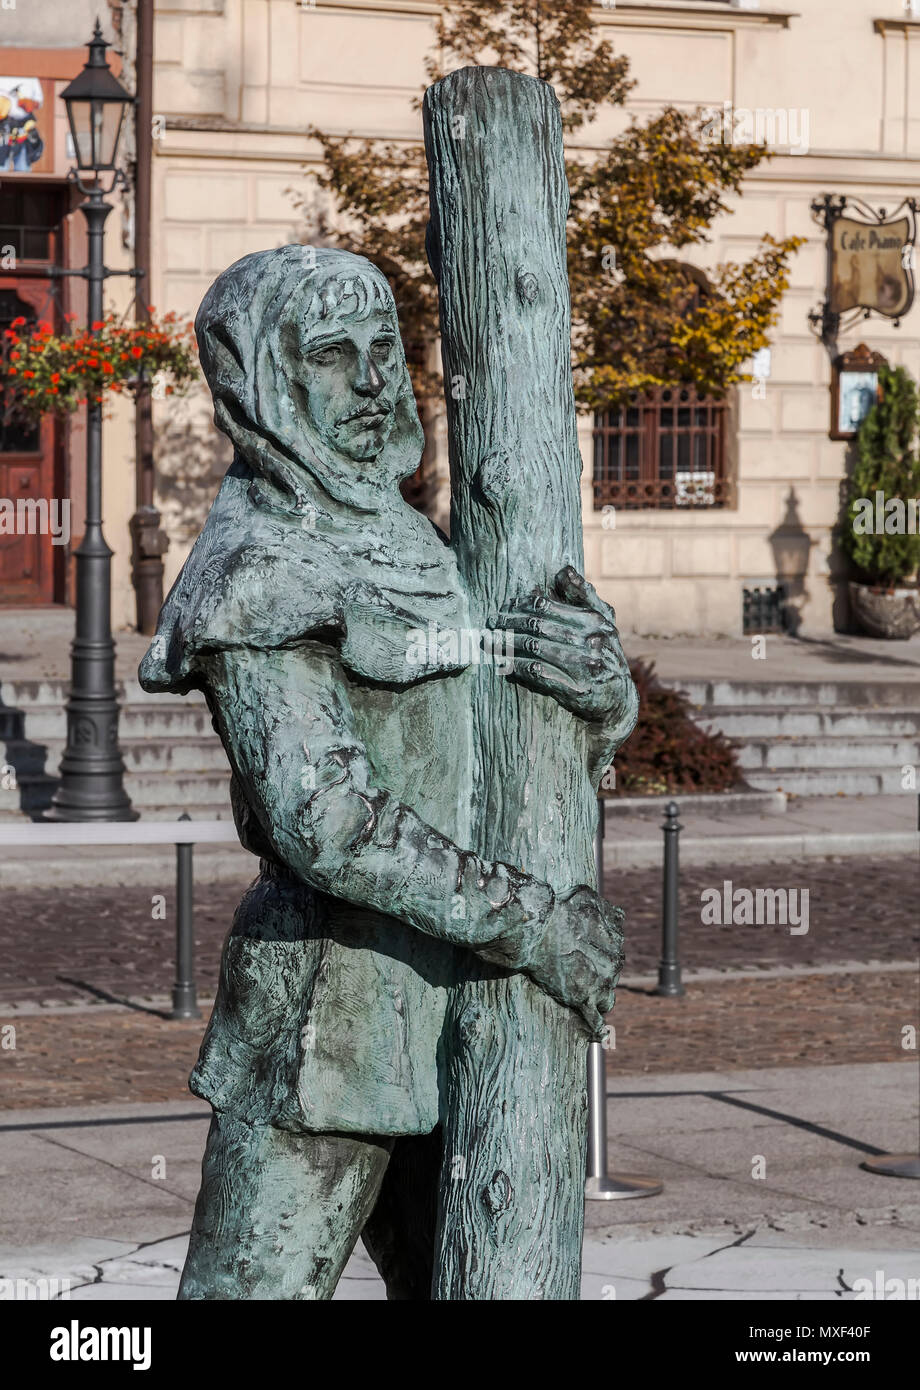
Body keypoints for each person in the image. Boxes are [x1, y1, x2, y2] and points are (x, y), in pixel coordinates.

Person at [140, 245, 637, 1299]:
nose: (374, 383)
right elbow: (326, 823)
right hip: (330, 1032)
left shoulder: (411, 535)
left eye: (385, 350)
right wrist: (537, 923)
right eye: (330, 355)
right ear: (257, 386)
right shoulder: (255, 570)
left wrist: (598, 692)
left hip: (463, 1015)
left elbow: (506, 740)